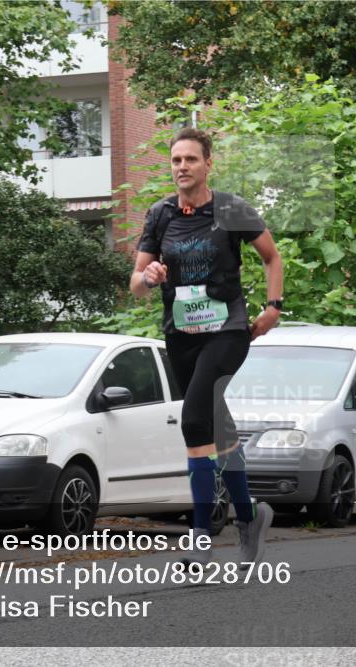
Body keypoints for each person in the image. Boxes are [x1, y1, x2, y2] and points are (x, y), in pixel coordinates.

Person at [129, 127, 284, 567]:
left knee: (195, 420)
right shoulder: (160, 215)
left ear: (207, 164)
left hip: (228, 331)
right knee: (222, 431)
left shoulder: (230, 208)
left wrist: (273, 308)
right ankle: (250, 516)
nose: (182, 167)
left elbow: (271, 256)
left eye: (190, 160)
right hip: (181, 336)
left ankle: (199, 540)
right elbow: (136, 285)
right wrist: (150, 277)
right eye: (176, 160)